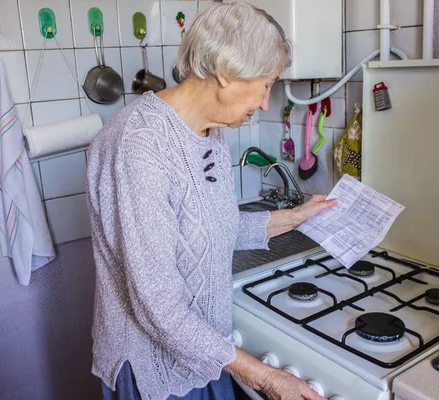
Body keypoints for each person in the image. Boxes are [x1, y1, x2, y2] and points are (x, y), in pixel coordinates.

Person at [86, 3, 336, 400]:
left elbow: (211, 226)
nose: (266, 103)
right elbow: (159, 310)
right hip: (155, 369)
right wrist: (266, 377)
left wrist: (295, 217)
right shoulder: (139, 146)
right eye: (267, 84)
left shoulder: (209, 132)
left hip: (205, 352)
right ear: (226, 72)